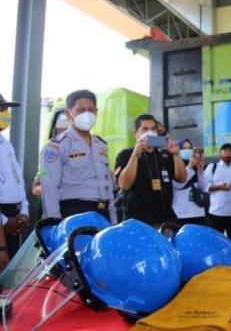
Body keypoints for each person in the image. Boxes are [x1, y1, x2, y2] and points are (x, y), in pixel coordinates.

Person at [39, 90, 116, 223]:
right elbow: (49, 188)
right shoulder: (56, 146)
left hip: (102, 212)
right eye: (80, 110)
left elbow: (108, 185)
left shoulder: (101, 145)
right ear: (68, 113)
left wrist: (113, 219)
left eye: (90, 110)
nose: (87, 114)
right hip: (74, 211)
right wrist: (54, 222)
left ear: (96, 112)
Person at [114, 114, 186, 226]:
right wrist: (135, 155)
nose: (150, 132)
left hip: (166, 220)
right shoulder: (125, 154)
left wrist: (176, 155)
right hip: (137, 221)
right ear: (135, 133)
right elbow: (124, 185)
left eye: (153, 129)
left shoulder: (164, 155)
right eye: (145, 129)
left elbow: (181, 179)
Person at [0, 93, 30, 260]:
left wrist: (23, 212)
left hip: (13, 215)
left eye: (5, 108)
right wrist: (4, 221)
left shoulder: (5, 143)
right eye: (1, 109)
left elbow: (18, 180)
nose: (5, 113)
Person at [204, 143, 231, 249]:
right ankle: (219, 263)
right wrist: (219, 187)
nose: (228, 153)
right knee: (216, 243)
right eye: (225, 151)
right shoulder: (212, 167)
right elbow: (205, 186)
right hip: (216, 213)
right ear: (220, 154)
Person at [172, 141, 207, 225]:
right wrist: (190, 166)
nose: (187, 150)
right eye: (184, 148)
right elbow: (179, 184)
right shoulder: (174, 165)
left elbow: (203, 187)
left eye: (189, 148)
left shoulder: (195, 166)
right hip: (181, 213)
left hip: (197, 212)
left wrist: (200, 171)